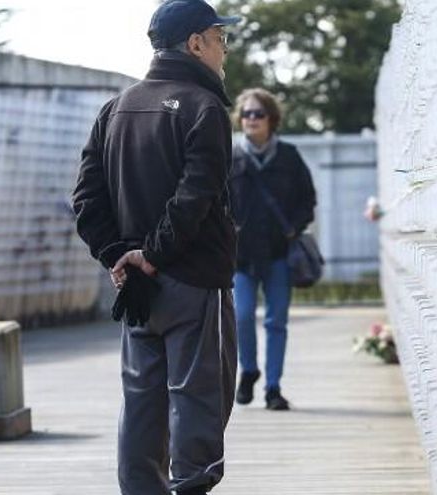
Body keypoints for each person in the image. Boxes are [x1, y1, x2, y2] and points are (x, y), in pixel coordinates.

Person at [71, 1, 240, 493]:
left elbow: (86, 198)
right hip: (193, 280)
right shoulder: (204, 107)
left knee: (142, 400)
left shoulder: (115, 109)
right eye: (220, 39)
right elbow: (196, 196)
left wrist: (117, 255)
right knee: (200, 396)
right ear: (195, 44)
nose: (224, 50)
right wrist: (153, 253)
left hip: (136, 288)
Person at [228, 88, 317, 411]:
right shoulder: (230, 157)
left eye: (258, 114)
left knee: (276, 321)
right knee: (241, 316)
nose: (251, 119)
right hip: (240, 257)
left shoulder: (289, 156)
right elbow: (215, 200)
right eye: (246, 114)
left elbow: (307, 199)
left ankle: (273, 388)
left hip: (279, 254)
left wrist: (294, 226)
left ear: (271, 119)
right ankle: (249, 370)